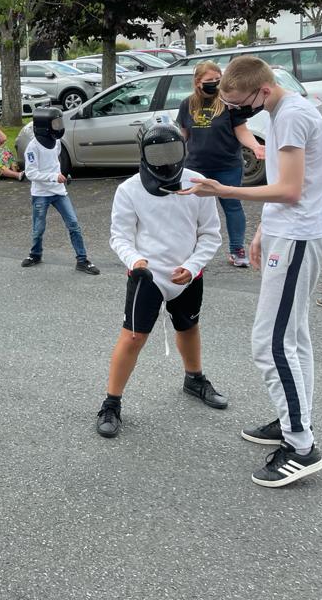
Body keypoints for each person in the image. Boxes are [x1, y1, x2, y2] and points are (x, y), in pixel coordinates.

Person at [182, 56, 322, 487]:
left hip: (298, 237)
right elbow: (297, 184)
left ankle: (300, 446)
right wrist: (265, 229)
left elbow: (290, 189)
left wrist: (222, 189)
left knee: (271, 344)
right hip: (291, 232)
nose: (233, 110)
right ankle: (292, 423)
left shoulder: (292, 116)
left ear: (262, 91)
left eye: (236, 103)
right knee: (292, 338)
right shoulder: (287, 110)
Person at [96, 117, 225, 438]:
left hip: (188, 273)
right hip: (147, 275)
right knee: (133, 337)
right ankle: (111, 403)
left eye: (172, 151)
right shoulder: (128, 190)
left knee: (189, 327)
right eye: (157, 153)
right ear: (143, 154)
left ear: (183, 149)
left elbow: (210, 234)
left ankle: (194, 378)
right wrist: (135, 260)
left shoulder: (198, 184)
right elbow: (120, 236)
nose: (166, 160)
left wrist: (193, 266)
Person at [176, 61, 265, 267]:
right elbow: (183, 135)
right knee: (192, 210)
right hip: (196, 166)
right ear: (198, 82)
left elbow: (241, 131)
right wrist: (170, 153)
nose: (215, 83)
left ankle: (237, 250)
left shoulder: (228, 102)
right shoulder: (187, 104)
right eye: (210, 80)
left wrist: (255, 146)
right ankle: (190, 252)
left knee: (232, 206)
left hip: (227, 165)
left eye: (218, 79)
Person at [20, 108, 100, 275]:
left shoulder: (56, 142)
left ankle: (82, 260)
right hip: (41, 194)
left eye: (59, 123)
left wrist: (63, 175)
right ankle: (35, 255)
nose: (58, 126)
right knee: (38, 228)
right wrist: (53, 177)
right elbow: (30, 173)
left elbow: (55, 162)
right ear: (44, 126)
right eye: (54, 123)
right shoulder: (32, 148)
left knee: (73, 225)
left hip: (59, 192)